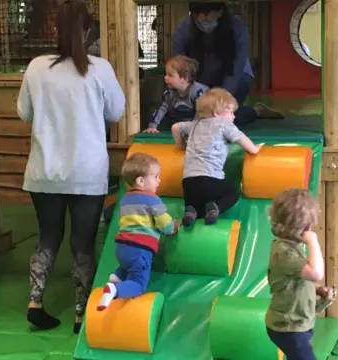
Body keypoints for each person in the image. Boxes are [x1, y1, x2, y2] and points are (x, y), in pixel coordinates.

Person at [16, 0, 126, 334]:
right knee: (83, 243)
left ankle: (35, 302)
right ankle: (82, 313)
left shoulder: (36, 67)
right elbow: (116, 113)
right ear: (88, 31)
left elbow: (24, 113)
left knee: (47, 238)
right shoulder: (100, 68)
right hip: (87, 171)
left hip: (44, 170)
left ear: (55, 31)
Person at [172, 2, 284, 127]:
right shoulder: (182, 31)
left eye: (207, 13)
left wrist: (221, 97)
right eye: (196, 14)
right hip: (201, 83)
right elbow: (181, 68)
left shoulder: (237, 29)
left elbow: (236, 69)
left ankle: (256, 111)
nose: (201, 18)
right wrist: (193, 93)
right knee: (194, 118)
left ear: (220, 12)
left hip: (235, 79)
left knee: (224, 118)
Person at [97, 153, 179, 311]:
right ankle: (115, 290)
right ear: (141, 181)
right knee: (139, 284)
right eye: (155, 177)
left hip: (121, 248)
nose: (159, 181)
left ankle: (118, 275)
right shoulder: (153, 199)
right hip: (140, 249)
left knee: (129, 265)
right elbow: (164, 223)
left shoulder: (125, 199)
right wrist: (172, 227)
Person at [172, 88, 263, 227]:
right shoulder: (223, 124)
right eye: (231, 112)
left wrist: (181, 145)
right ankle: (216, 208)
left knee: (195, 203)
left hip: (188, 182)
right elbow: (242, 139)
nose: (233, 117)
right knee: (232, 194)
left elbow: (175, 127)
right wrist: (254, 149)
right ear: (216, 113)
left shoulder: (194, 124)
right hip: (211, 179)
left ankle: (191, 211)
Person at [265, 189, 337, 360]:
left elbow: (297, 280)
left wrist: (318, 291)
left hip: (297, 325)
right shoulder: (285, 253)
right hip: (287, 328)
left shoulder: (290, 248)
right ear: (303, 228)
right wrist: (313, 241)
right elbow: (316, 273)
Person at [144, 55, 209, 132]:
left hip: (199, 123)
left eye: (170, 75)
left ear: (184, 79)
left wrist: (193, 128)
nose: (165, 78)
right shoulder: (169, 92)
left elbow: (201, 112)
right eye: (166, 74)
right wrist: (152, 126)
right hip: (178, 122)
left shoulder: (198, 92)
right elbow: (162, 108)